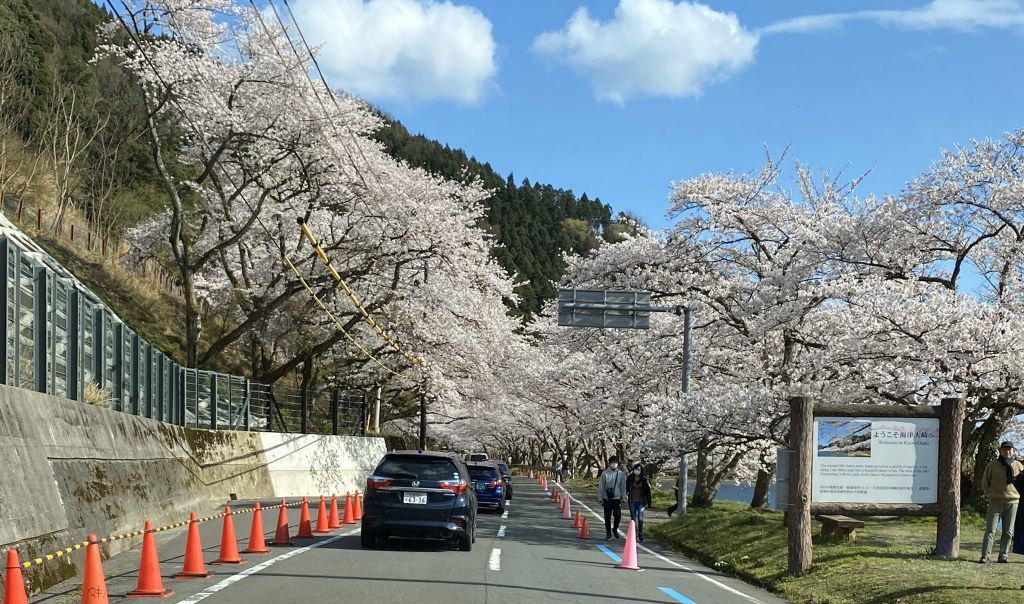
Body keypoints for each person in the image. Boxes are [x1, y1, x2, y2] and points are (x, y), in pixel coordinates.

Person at [980, 440, 1023, 563]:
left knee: (1008, 531)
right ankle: (985, 556)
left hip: (1013, 502)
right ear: (1000, 451)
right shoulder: (993, 465)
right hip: (995, 502)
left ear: (1013, 451)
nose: (1007, 451)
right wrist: (990, 495)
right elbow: (984, 482)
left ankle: (1003, 555)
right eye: (1005, 449)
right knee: (990, 530)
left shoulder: (1018, 465)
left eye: (1010, 449)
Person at [598, 456, 627, 539]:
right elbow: (601, 486)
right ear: (610, 463)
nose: (614, 464)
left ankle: (615, 528)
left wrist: (623, 497)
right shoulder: (605, 473)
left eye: (616, 462)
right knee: (607, 517)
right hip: (607, 498)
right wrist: (600, 498)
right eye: (613, 462)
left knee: (618, 515)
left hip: (617, 498)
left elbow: (623, 487)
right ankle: (608, 533)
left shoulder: (621, 474)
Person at [626, 462, 653, 542]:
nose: (637, 471)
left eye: (638, 469)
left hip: (641, 501)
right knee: (633, 519)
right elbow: (626, 488)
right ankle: (632, 534)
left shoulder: (644, 479)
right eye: (635, 469)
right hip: (632, 500)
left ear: (641, 471)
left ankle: (640, 534)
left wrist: (649, 502)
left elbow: (648, 491)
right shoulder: (630, 478)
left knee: (640, 518)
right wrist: (625, 495)